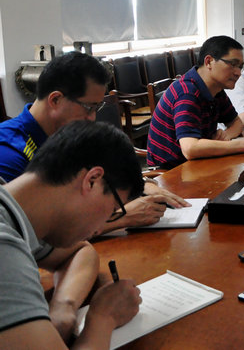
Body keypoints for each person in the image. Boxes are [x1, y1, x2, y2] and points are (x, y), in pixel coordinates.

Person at [0, 52, 187, 232]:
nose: (92, 118)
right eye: (89, 107)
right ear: (55, 100)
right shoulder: (9, 152)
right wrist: (119, 218)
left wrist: (141, 185)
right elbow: (29, 234)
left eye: (97, 108)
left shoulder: (69, 134)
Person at [0, 121, 144, 348]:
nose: (99, 229)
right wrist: (104, 318)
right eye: (113, 211)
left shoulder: (19, 213)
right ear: (92, 181)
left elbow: (81, 250)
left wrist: (63, 307)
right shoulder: (4, 249)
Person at [146, 36, 244, 169]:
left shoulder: (216, 89)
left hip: (199, 162)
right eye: (232, 64)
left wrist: (226, 135)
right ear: (209, 62)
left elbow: (237, 122)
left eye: (240, 67)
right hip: (170, 171)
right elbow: (190, 148)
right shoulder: (187, 93)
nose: (238, 73)